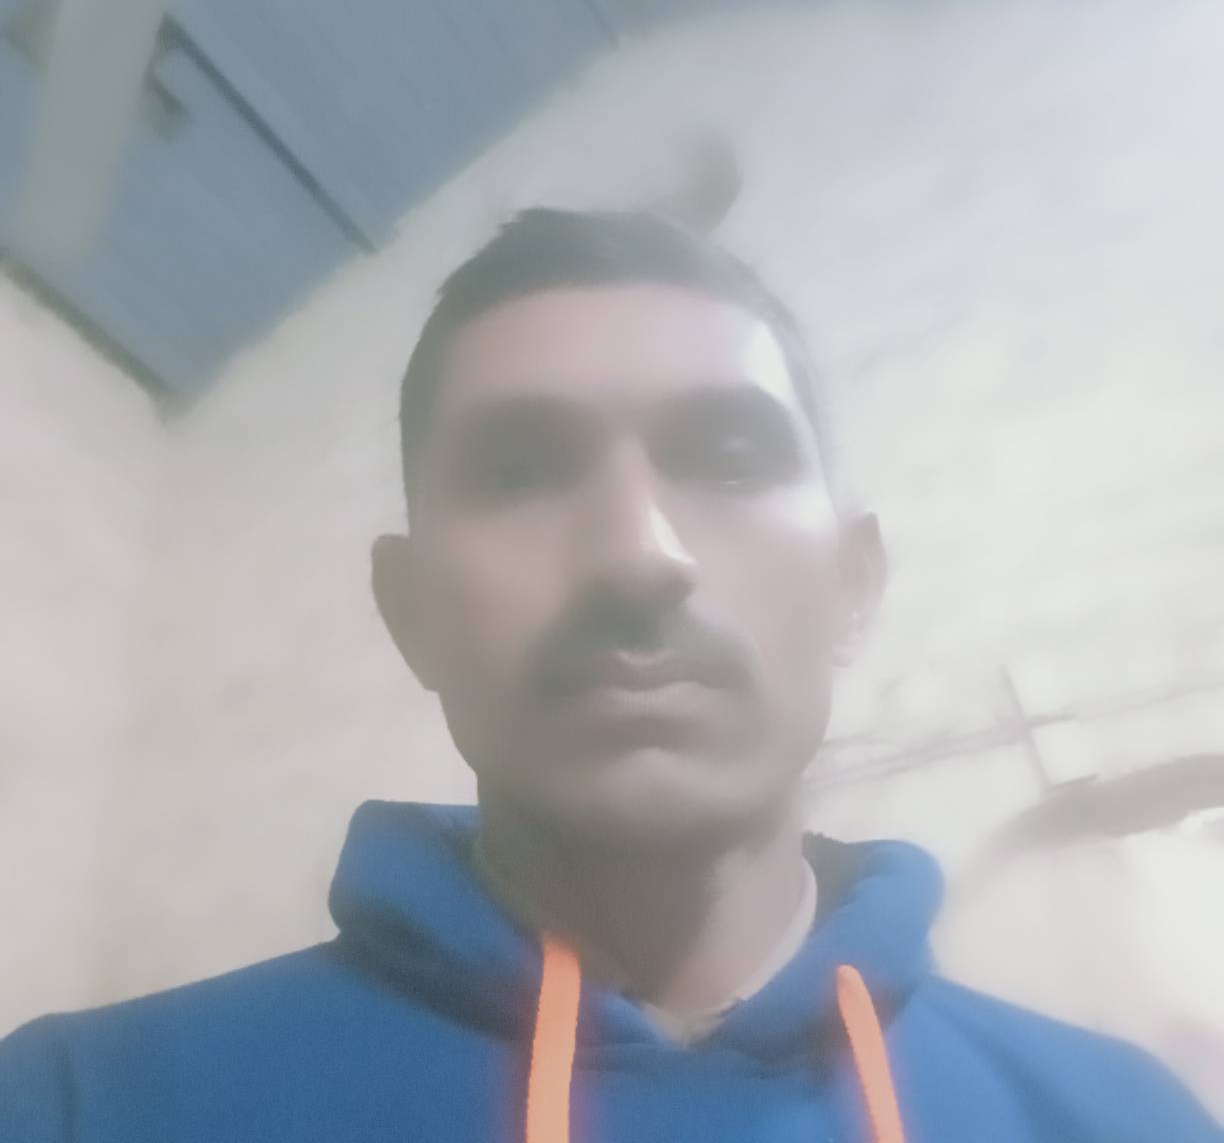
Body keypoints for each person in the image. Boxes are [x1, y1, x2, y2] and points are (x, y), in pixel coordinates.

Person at [1, 209, 1219, 1143]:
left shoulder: (1131, 1122)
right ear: (411, 612)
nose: (639, 554)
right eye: (521, 470)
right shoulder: (77, 1108)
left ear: (852, 586)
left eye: (728, 456)